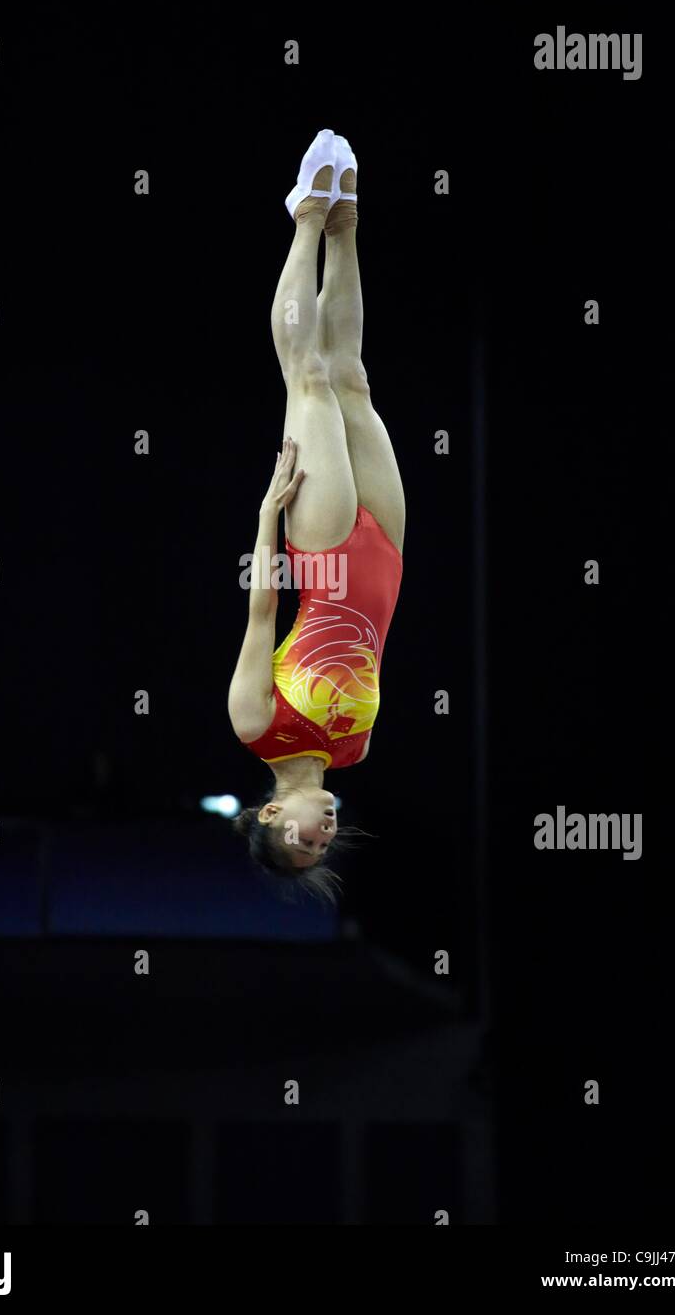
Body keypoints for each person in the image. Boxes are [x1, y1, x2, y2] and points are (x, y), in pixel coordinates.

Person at [227, 129, 405, 902]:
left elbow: (264, 605)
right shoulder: (356, 750)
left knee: (308, 379)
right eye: (323, 846)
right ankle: (346, 227)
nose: (321, 835)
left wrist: (269, 515)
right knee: (353, 380)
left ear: (271, 812)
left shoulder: (254, 725)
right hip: (387, 553)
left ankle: (304, 219)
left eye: (301, 841)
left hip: (323, 550)